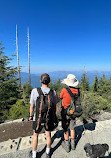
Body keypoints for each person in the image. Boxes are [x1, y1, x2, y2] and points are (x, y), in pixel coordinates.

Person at [29, 73, 59, 158]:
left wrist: (31, 116)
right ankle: (48, 152)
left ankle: (34, 154)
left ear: (40, 81)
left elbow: (32, 105)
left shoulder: (35, 91)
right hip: (48, 117)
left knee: (35, 135)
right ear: (49, 82)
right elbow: (55, 106)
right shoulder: (53, 92)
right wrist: (53, 116)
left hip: (38, 118)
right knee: (48, 135)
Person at [60, 74, 80, 153]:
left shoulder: (64, 90)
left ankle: (67, 146)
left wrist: (65, 85)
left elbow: (61, 97)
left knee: (65, 128)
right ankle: (73, 144)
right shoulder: (78, 90)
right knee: (72, 128)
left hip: (65, 112)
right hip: (73, 112)